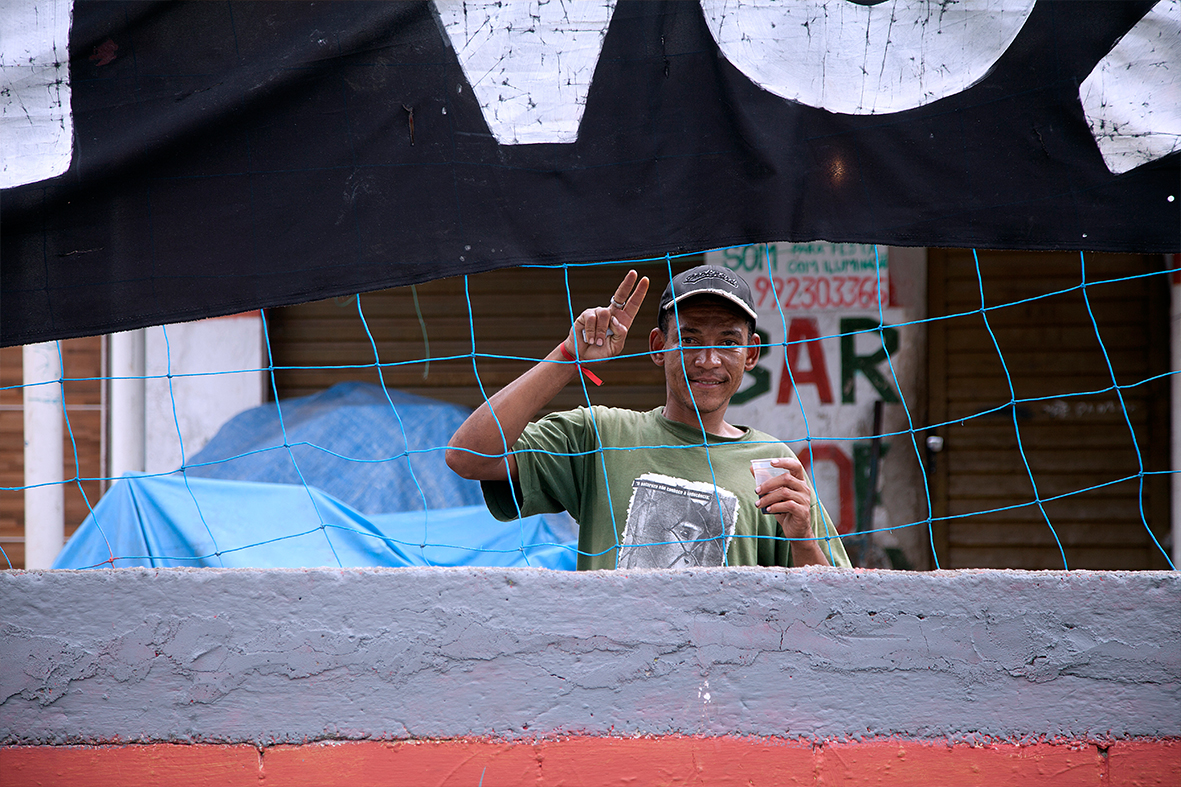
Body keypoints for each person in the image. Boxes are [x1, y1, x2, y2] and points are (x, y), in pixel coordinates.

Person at [445, 264, 850, 570]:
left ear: (751, 354)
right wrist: (568, 356)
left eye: (728, 342)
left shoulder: (772, 464)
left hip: (722, 680)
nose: (708, 360)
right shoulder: (601, 435)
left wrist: (803, 542)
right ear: (658, 346)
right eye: (689, 339)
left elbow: (833, 614)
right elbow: (467, 455)